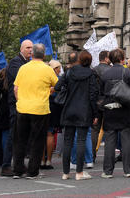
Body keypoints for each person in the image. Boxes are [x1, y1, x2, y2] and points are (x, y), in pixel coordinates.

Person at [11, 43, 57, 179]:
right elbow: (57, 85)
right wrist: (49, 91)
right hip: (40, 108)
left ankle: (18, 170)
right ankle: (32, 171)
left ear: (32, 54)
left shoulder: (23, 68)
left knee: (20, 140)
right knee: (37, 141)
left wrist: (20, 100)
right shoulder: (48, 69)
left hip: (23, 107)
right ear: (44, 55)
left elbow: (15, 88)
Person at [57, 49, 99, 180]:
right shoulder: (92, 75)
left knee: (68, 141)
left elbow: (58, 86)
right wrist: (95, 114)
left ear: (79, 60)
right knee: (81, 140)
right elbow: (93, 96)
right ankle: (79, 172)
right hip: (84, 110)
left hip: (69, 109)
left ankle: (65, 172)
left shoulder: (69, 72)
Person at [99, 48, 130, 178]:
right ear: (122, 59)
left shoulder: (105, 74)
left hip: (110, 110)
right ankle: (128, 170)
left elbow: (101, 94)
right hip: (126, 110)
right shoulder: (127, 73)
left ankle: (108, 171)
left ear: (110, 59)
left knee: (110, 141)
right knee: (126, 141)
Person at [0, 38, 32, 176]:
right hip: (16, 103)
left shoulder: (27, 63)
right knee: (13, 135)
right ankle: (6, 165)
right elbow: (20, 79)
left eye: (31, 48)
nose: (30, 50)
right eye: (27, 48)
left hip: (25, 102)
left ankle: (18, 164)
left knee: (22, 136)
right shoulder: (15, 62)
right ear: (21, 49)